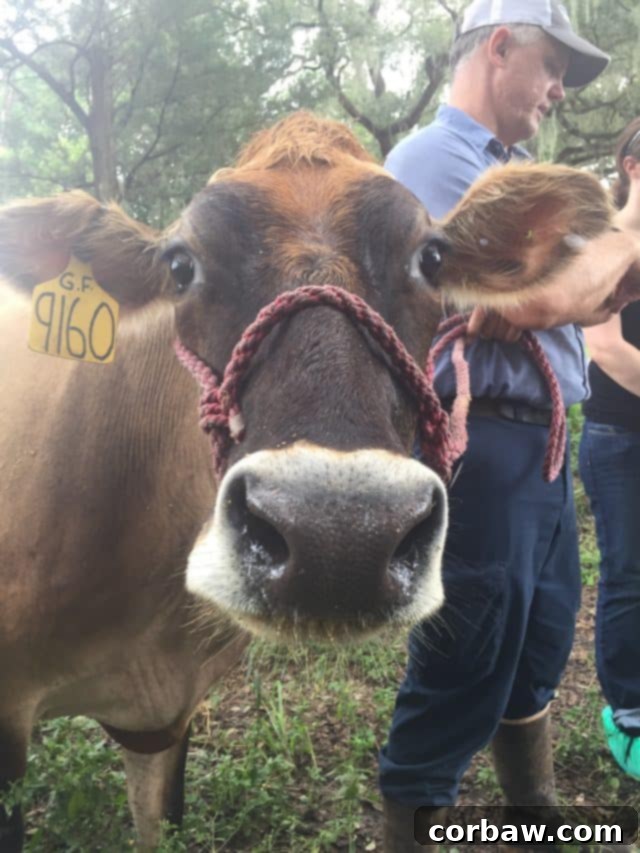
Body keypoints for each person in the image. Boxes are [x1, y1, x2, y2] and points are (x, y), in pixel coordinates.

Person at [377, 2, 618, 849]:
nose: (557, 90)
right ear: (500, 47)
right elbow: (577, 285)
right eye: (552, 67)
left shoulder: (513, 171)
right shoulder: (431, 164)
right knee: (464, 655)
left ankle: (533, 817)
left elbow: (568, 285)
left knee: (539, 640)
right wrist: (553, 287)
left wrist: (545, 291)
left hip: (543, 446)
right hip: (482, 446)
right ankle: (411, 815)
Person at [579, 117, 640, 782]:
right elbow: (607, 347)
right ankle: (628, 710)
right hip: (618, 438)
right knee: (627, 575)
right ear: (633, 167)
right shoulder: (604, 242)